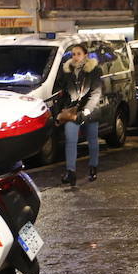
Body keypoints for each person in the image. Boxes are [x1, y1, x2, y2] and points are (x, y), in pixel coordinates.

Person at [57, 43, 102, 187]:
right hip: (72, 111)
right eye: (73, 54)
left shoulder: (94, 70)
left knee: (92, 140)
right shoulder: (66, 71)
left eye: (78, 54)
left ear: (85, 55)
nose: (75, 57)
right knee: (70, 140)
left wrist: (86, 111)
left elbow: (96, 93)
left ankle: (93, 167)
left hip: (90, 110)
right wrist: (62, 110)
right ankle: (71, 172)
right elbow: (62, 92)